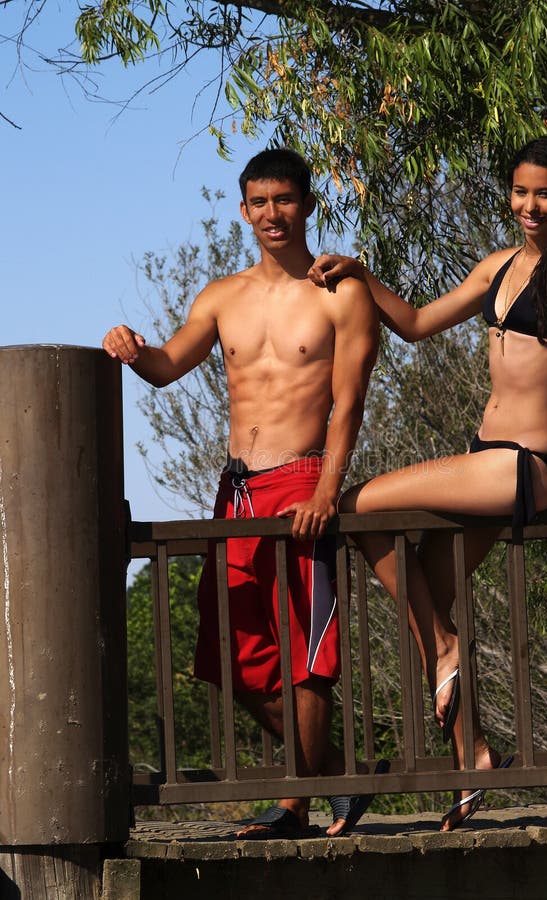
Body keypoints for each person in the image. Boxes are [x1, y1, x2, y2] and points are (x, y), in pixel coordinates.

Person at [308, 135, 547, 830]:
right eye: (520, 191)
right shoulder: (496, 268)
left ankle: (449, 653)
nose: (529, 204)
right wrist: (364, 274)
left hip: (525, 466)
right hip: (487, 457)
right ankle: (474, 759)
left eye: (543, 193)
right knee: (420, 585)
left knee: (356, 506)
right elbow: (414, 324)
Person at [103, 148, 381, 838]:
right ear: (242, 210)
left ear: (308, 205)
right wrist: (133, 350)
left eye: (283, 200)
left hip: (301, 481)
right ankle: (336, 772)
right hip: (235, 491)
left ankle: (296, 803)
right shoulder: (221, 295)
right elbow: (168, 367)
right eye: (258, 202)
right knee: (231, 653)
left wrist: (326, 488)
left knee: (305, 650)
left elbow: (348, 404)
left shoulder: (339, 292)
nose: (271, 214)